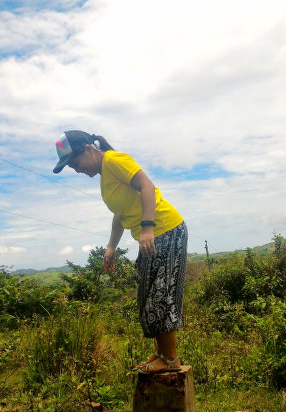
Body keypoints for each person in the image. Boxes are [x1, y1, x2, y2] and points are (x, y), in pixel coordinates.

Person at [53, 130, 187, 373]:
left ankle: (171, 359)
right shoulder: (105, 175)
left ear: (87, 149)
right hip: (153, 235)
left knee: (160, 293)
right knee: (148, 294)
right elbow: (120, 214)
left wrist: (147, 226)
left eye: (74, 163)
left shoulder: (114, 160)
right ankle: (161, 354)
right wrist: (111, 247)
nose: (76, 169)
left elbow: (146, 186)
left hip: (167, 229)